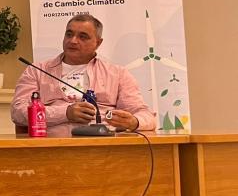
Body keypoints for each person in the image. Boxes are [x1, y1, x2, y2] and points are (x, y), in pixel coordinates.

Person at [11, 13, 155, 135]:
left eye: (83, 37)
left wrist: (133, 122)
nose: (73, 41)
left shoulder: (118, 74)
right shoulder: (37, 71)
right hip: (50, 147)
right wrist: (65, 113)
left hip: (104, 149)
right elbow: (18, 112)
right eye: (69, 34)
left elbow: (145, 115)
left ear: (98, 43)